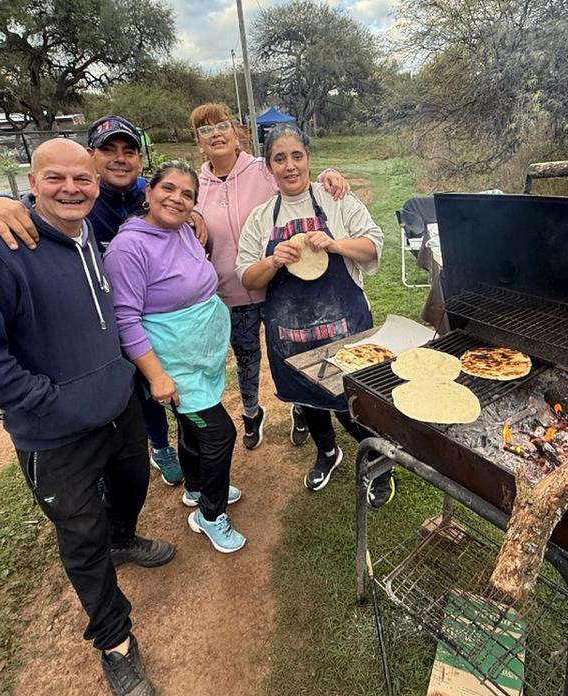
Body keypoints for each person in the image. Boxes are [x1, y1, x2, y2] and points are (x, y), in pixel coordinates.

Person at [0, 138, 172, 696]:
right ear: (31, 182)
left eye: (81, 178)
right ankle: (115, 644)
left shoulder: (88, 234)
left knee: (132, 488)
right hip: (54, 436)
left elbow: (154, 201)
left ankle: (124, 539)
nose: (71, 188)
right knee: (81, 535)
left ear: (95, 182)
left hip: (117, 410)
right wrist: (50, 402)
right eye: (55, 178)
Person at [0, 115, 193, 488]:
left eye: (129, 151)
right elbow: (36, 204)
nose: (120, 158)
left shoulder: (143, 192)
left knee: (158, 386)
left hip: (150, 319)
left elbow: (173, 197)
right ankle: (159, 447)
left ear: (139, 161)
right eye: (108, 150)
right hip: (101, 323)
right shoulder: (80, 202)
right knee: (135, 393)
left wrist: (194, 213)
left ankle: (173, 452)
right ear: (92, 157)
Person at [236, 124, 395, 507]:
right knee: (308, 399)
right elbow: (246, 277)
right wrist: (273, 261)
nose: (289, 166)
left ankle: (379, 463)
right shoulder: (261, 217)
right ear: (269, 167)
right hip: (291, 337)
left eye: (297, 156)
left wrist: (336, 244)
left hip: (346, 329)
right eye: (279, 158)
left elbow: (374, 244)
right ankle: (327, 452)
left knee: (356, 404)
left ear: (309, 158)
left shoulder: (336, 199)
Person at [189, 102, 350, 452]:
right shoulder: (195, 187)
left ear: (238, 133)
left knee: (294, 354)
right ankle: (251, 412)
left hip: (284, 290)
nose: (215, 134)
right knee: (246, 357)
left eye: (222, 125)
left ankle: (302, 408)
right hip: (234, 290)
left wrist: (329, 173)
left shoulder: (261, 170)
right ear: (199, 142)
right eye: (205, 129)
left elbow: (299, 175)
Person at [104, 160, 247, 553]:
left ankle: (197, 487)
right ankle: (210, 515)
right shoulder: (127, 248)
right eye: (168, 188)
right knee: (219, 434)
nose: (177, 199)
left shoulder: (182, 229)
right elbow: (125, 320)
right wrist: (157, 376)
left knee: (191, 425)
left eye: (187, 194)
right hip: (174, 367)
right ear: (148, 192)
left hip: (197, 359)